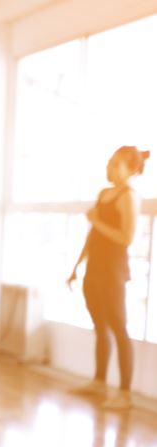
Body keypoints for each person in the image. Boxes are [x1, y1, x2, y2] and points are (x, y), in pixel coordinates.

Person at [68, 146, 150, 410]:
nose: (109, 168)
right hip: (94, 270)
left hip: (114, 271)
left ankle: (125, 394)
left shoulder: (129, 197)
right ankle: (99, 382)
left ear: (132, 169)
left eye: (116, 164)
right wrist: (76, 267)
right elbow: (93, 236)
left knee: (118, 329)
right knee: (99, 328)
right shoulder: (103, 194)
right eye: (109, 163)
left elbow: (125, 238)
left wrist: (97, 221)